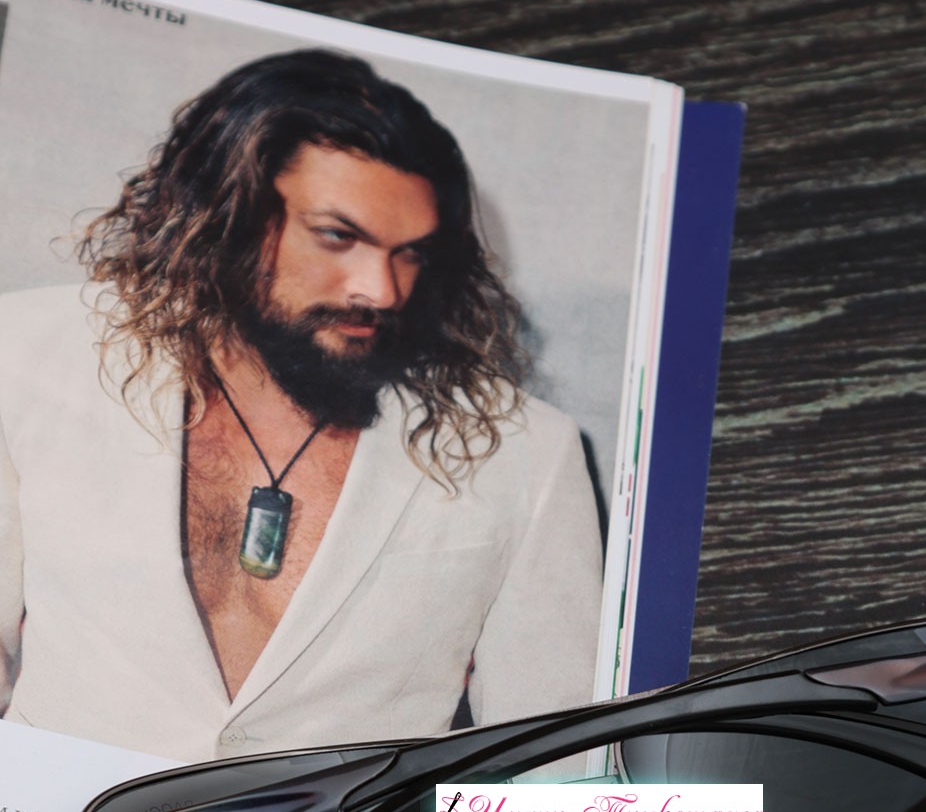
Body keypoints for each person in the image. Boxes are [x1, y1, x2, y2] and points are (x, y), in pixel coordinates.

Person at [0, 49, 603, 761]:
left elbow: (562, 771)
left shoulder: (527, 448)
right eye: (338, 237)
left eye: (410, 252)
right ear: (229, 212)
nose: (381, 290)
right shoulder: (28, 351)